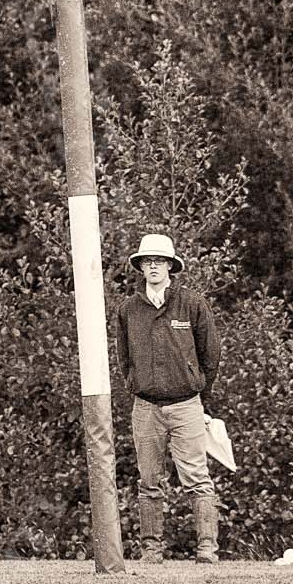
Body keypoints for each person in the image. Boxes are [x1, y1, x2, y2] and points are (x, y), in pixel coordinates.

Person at [113, 233, 224, 563]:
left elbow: (211, 353)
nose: (153, 267)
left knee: (197, 479)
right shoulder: (128, 310)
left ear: (171, 266)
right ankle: (151, 550)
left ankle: (207, 549)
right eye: (147, 262)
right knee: (148, 482)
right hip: (145, 407)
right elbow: (123, 357)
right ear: (140, 267)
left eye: (159, 261)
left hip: (187, 404)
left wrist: (200, 389)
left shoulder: (191, 303)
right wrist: (136, 383)